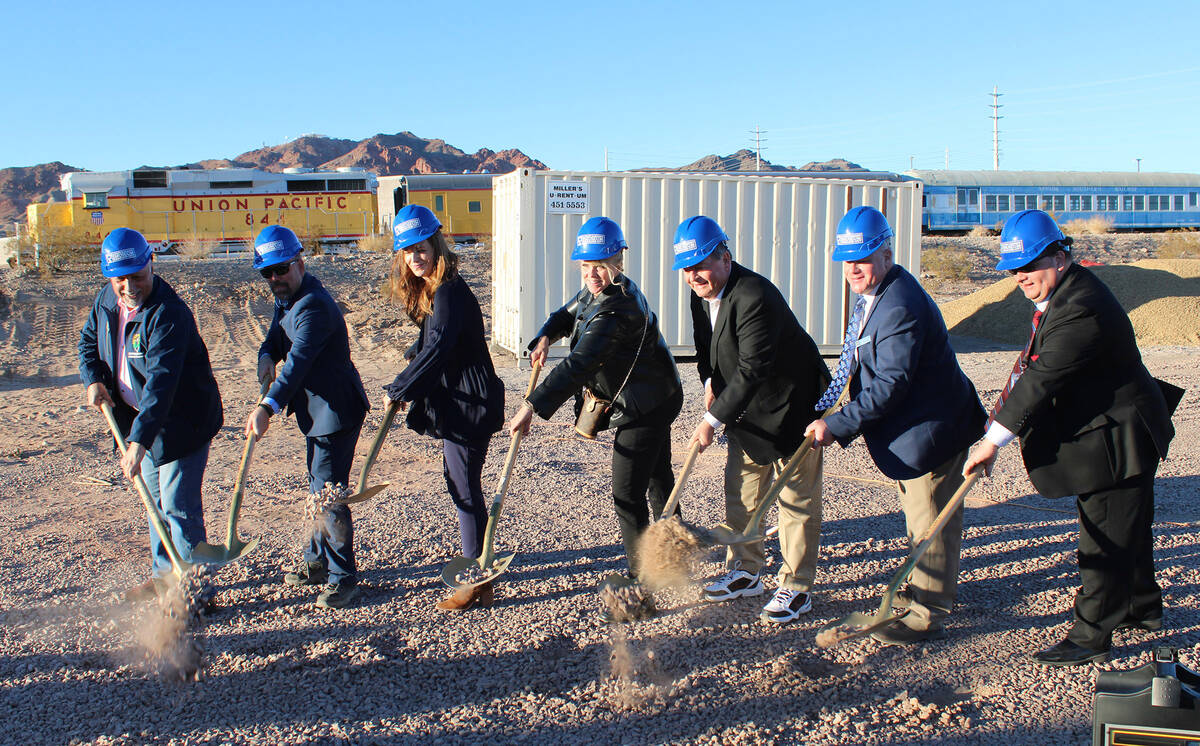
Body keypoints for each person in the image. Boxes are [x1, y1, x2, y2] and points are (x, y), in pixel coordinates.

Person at [964, 209, 1176, 666]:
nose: (1021, 277)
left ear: (1060, 256)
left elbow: (1040, 380)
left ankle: (1090, 634)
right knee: (1127, 527)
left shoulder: (1081, 307)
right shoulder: (1065, 294)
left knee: (1104, 537)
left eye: (1030, 265)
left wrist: (991, 441)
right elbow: (1032, 372)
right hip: (1109, 428)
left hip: (1120, 435)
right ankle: (1142, 610)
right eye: (1015, 269)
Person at [805, 206, 985, 645]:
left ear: (886, 253)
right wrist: (826, 408)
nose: (852, 269)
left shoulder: (900, 304)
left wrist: (839, 424)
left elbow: (891, 383)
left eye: (862, 259)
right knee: (918, 514)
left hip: (932, 429)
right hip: (909, 431)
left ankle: (926, 613)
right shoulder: (876, 294)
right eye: (847, 260)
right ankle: (920, 588)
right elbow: (858, 364)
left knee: (931, 522)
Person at [508, 217, 682, 600]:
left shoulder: (617, 309)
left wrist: (531, 407)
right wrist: (545, 335)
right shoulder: (598, 290)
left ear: (618, 261)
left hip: (646, 404)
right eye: (586, 267)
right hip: (652, 393)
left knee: (627, 492)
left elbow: (578, 365)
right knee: (656, 474)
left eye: (600, 266)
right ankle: (675, 545)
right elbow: (568, 313)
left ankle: (643, 579)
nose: (592, 275)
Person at [674, 215, 831, 625]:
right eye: (687, 268)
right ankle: (745, 570)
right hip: (745, 409)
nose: (694, 275)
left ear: (724, 256)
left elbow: (753, 369)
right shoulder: (699, 292)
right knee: (741, 492)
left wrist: (711, 419)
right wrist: (710, 380)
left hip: (792, 407)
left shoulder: (754, 294)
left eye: (701, 265)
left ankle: (797, 587)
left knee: (795, 500)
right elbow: (704, 344)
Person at [78, 228, 223, 602]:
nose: (128, 286)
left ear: (151, 265)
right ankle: (165, 577)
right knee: (154, 504)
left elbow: (162, 384)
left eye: (136, 276)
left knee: (177, 506)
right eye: (119, 278)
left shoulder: (168, 313)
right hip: (138, 420)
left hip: (180, 423)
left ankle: (196, 591)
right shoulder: (105, 301)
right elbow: (88, 342)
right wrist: (93, 379)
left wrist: (139, 442)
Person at [383, 206, 505, 611]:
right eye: (407, 252)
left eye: (421, 248)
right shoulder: (439, 289)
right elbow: (429, 341)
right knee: (462, 484)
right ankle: (480, 574)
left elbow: (439, 347)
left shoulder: (449, 290)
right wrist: (409, 361)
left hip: (469, 405)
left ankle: (475, 579)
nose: (415, 258)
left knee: (464, 489)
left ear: (436, 245)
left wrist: (401, 387)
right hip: (459, 401)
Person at [245, 225, 369, 609]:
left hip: (335, 412)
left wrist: (268, 406)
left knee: (330, 495)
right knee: (318, 487)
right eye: (267, 272)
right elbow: (275, 340)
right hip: (317, 413)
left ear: (299, 262)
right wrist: (266, 357)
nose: (274, 278)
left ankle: (342, 578)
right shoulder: (288, 297)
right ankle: (317, 564)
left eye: (281, 269)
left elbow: (297, 363)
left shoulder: (313, 304)